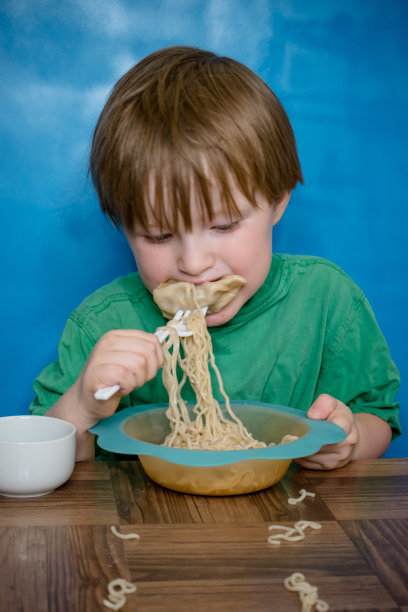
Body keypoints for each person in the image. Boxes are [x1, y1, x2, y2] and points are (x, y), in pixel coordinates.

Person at [30, 45, 401, 467]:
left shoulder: (326, 300)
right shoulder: (101, 324)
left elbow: (378, 418)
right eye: (159, 234)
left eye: (223, 226)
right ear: (123, 228)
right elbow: (46, 456)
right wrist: (82, 405)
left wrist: (349, 440)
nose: (194, 263)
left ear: (278, 201)